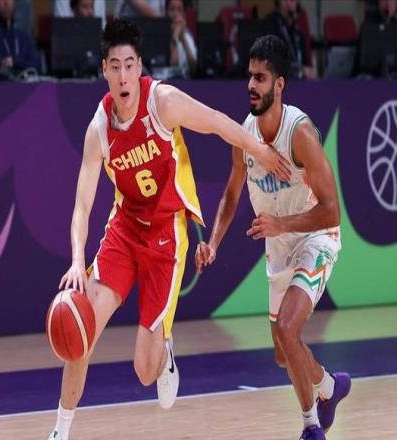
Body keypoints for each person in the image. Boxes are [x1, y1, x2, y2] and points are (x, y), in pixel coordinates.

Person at [48, 19, 291, 440]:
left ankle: (165, 351)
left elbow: (217, 121)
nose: (123, 76)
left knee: (144, 372)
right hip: (124, 230)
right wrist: (75, 260)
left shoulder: (162, 102)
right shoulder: (99, 129)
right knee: (80, 326)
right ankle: (59, 432)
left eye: (129, 65)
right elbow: (82, 204)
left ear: (139, 66)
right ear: (104, 71)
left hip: (166, 234)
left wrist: (261, 151)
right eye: (114, 67)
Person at [195, 35, 350, 440]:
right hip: (279, 247)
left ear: (279, 85)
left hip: (315, 237)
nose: (251, 84)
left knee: (286, 329)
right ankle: (329, 387)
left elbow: (332, 210)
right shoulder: (244, 134)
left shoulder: (300, 134)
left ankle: (311, 426)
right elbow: (231, 194)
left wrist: (283, 225)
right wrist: (213, 242)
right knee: (284, 354)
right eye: (250, 76)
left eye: (260, 78)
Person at [0, 0, 40, 74]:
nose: (6, 2)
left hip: (27, 78)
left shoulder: (23, 36)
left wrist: (16, 62)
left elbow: (36, 64)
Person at [266, 0, 314, 79]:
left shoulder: (297, 30)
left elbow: (305, 62)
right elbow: (271, 62)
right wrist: (299, 70)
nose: (291, 3)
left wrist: (308, 71)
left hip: (301, 79)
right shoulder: (270, 24)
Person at [167, 0, 197, 77]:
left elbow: (193, 68)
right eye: (172, 9)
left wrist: (183, 38)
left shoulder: (187, 35)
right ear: (166, 12)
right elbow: (173, 65)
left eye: (179, 10)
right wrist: (175, 35)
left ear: (183, 14)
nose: (175, 14)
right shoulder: (160, 34)